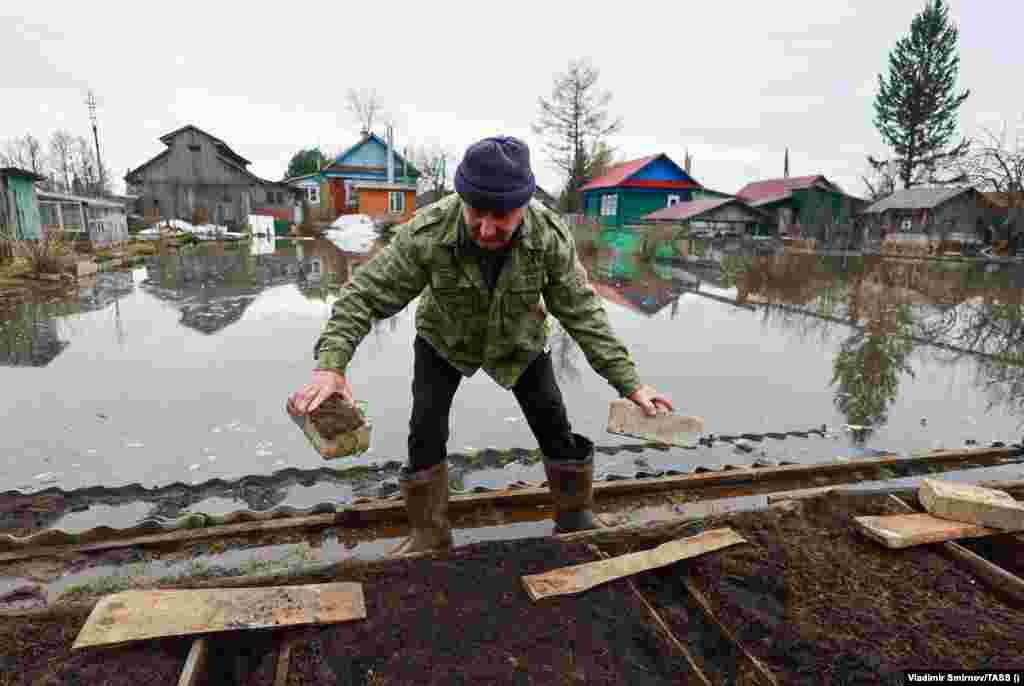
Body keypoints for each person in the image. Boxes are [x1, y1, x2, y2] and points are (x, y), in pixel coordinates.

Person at [288, 136, 673, 556]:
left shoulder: (548, 237)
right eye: (476, 214)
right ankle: (429, 536)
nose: (487, 229)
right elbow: (362, 295)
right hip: (445, 339)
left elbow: (583, 312)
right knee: (424, 431)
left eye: (502, 216)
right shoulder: (428, 232)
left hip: (520, 341)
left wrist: (630, 384)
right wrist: (331, 367)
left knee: (555, 425)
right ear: (461, 198)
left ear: (524, 205)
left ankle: (575, 519)